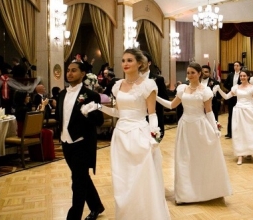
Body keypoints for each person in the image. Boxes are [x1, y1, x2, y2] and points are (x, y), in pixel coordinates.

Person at [81, 48, 170, 219]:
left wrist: (154, 136)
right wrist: (99, 107)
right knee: (123, 180)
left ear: (139, 63)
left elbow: (152, 114)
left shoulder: (148, 85)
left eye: (130, 60)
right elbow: (118, 113)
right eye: (123, 60)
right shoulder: (117, 85)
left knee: (142, 178)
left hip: (140, 134)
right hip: (121, 135)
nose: (125, 64)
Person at [156, 62, 232, 204]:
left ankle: (204, 190)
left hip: (200, 126)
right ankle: (185, 194)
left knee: (200, 158)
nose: (189, 75)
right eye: (188, 72)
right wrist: (156, 98)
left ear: (199, 74)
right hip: (185, 126)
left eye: (192, 72)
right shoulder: (182, 89)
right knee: (185, 159)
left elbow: (209, 112)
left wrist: (215, 129)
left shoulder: (205, 91)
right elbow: (172, 105)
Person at [55, 62, 105, 220]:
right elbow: (60, 117)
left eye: (74, 71)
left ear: (83, 74)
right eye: (68, 71)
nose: (69, 73)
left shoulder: (91, 95)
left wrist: (88, 113)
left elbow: (99, 121)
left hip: (82, 144)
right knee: (81, 177)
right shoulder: (62, 94)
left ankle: (73, 216)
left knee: (77, 181)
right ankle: (96, 206)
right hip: (66, 142)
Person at [217, 70, 253, 164]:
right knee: (239, 132)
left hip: (249, 111)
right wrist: (218, 89)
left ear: (248, 77)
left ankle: (249, 151)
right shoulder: (236, 88)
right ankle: (240, 155)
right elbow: (226, 97)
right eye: (241, 76)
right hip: (238, 111)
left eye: (244, 76)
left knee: (249, 132)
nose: (242, 77)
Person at [141, 51, 169, 139]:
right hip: (138, 119)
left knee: (153, 144)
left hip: (154, 116)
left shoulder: (158, 79)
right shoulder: (132, 79)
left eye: (143, 60)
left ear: (149, 62)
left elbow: (165, 98)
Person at [223, 61, 241, 138]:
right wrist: (231, 90)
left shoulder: (242, 75)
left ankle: (239, 132)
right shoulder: (230, 75)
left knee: (239, 115)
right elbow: (225, 84)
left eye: (237, 65)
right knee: (230, 114)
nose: (236, 67)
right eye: (234, 65)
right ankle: (229, 133)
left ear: (240, 67)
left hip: (239, 96)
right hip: (231, 96)